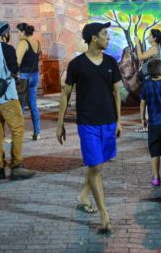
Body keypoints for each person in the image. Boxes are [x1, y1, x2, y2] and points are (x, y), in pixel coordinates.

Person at [56, 21, 124, 234]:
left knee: (98, 164)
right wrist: (60, 124)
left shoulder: (111, 62)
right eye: (105, 34)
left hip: (108, 121)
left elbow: (116, 93)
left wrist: (119, 121)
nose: (108, 37)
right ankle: (104, 214)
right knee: (95, 167)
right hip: (87, 123)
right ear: (94, 38)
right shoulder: (77, 65)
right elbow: (65, 94)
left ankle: (83, 195)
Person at [0, 21, 36, 180]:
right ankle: (16, 165)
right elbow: (14, 70)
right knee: (17, 129)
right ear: (5, 34)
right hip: (7, 97)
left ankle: (0, 167)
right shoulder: (8, 49)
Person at [16, 22, 42, 141]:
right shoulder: (37, 42)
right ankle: (37, 133)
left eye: (18, 32)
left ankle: (18, 135)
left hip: (24, 76)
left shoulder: (23, 43)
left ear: (23, 32)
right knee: (33, 105)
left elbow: (17, 61)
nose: (17, 35)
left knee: (20, 106)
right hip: (35, 75)